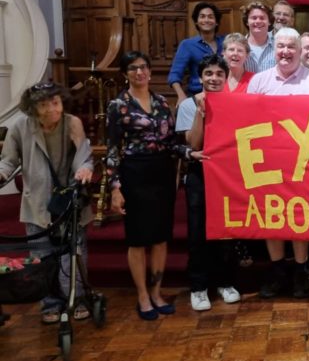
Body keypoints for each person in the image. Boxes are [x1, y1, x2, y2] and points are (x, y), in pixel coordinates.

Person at [106, 51, 203, 320]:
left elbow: (171, 141)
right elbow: (113, 150)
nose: (140, 72)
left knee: (161, 236)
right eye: (134, 68)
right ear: (125, 73)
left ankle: (157, 291)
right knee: (138, 238)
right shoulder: (118, 105)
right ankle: (142, 295)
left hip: (162, 172)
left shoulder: (162, 102)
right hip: (135, 173)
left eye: (144, 67)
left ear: (150, 71)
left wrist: (189, 153)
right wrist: (115, 187)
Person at [0, 83, 94, 324]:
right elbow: (8, 162)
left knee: (74, 253)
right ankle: (50, 304)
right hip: (37, 203)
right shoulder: (20, 127)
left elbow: (84, 155)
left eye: (55, 103)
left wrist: (84, 169)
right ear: (33, 108)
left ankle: (79, 298)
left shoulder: (72, 123)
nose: (51, 109)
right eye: (44, 104)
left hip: (68, 200)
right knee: (42, 257)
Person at [248, 28, 309, 298]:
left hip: (304, 161)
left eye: (291, 47)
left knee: (300, 216)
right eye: (280, 46)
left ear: (300, 50)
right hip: (267, 161)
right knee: (272, 216)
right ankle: (278, 270)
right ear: (274, 49)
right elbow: (244, 122)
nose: (285, 52)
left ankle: (301, 271)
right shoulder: (259, 81)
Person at [176, 55, 241, 311]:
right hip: (199, 174)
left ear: (226, 78)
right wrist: (202, 113)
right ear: (200, 77)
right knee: (198, 232)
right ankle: (199, 287)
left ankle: (226, 282)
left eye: (218, 74)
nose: (213, 79)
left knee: (227, 230)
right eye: (208, 74)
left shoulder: (235, 103)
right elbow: (193, 143)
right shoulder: (188, 106)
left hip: (227, 176)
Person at [167, 2, 224, 104]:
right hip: (196, 95)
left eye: (210, 17)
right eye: (202, 17)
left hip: (224, 94)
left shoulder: (225, 42)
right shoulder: (187, 45)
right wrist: (181, 96)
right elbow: (174, 75)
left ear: (216, 22)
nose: (206, 20)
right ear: (196, 22)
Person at [241, 1, 275, 73]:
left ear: (269, 22)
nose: (258, 21)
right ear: (247, 22)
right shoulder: (239, 47)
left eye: (262, 18)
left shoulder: (278, 46)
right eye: (254, 18)